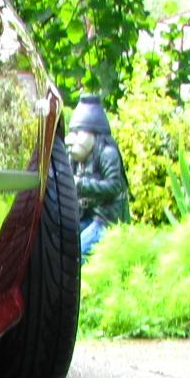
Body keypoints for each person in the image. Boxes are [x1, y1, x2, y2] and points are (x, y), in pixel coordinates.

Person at [65, 95, 129, 259]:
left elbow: (114, 186)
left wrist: (81, 184)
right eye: (72, 132)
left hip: (107, 220)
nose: (72, 139)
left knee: (77, 253)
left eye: (78, 132)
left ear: (93, 133)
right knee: (63, 245)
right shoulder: (75, 158)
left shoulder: (107, 154)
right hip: (85, 217)